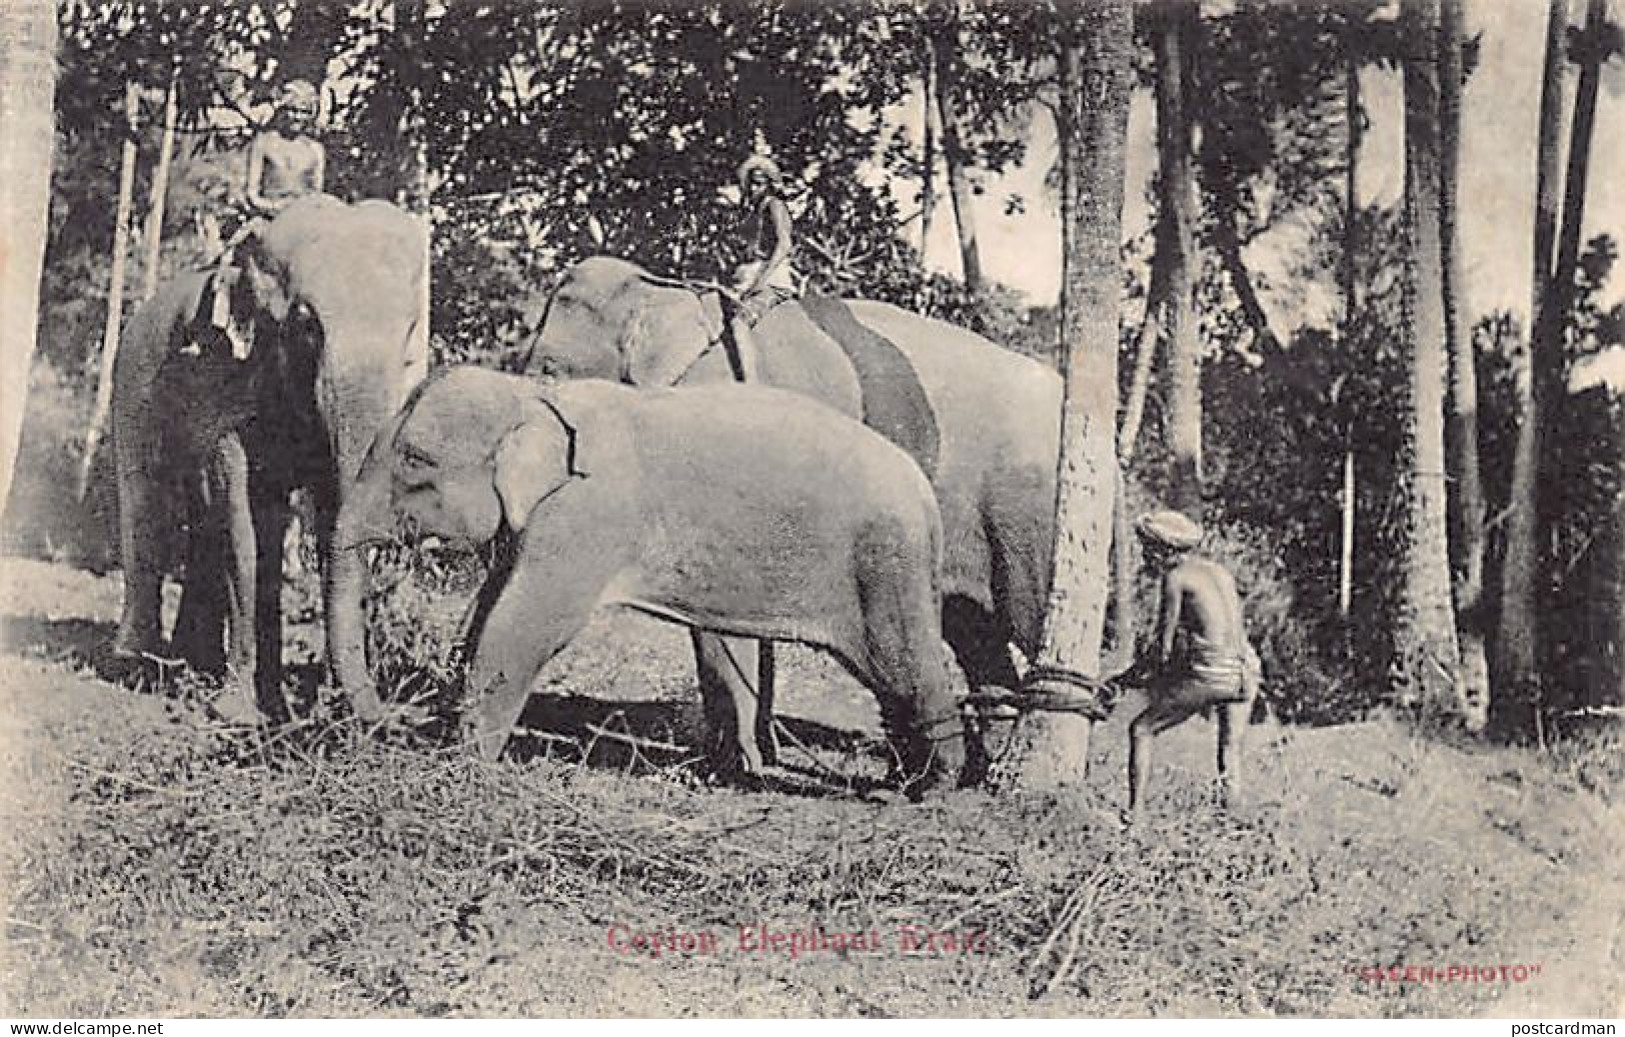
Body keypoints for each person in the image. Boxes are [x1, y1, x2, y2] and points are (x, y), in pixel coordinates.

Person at [1113, 509, 1261, 817]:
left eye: (1146, 550)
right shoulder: (1219, 571)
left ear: (1161, 551)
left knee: (1141, 729)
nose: (1144, 557)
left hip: (1214, 673)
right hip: (1247, 669)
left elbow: (1161, 651)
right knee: (1230, 750)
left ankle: (1136, 817)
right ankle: (1232, 826)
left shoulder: (1176, 578)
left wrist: (1123, 680)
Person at [197, 79, 326, 358]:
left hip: (305, 224)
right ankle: (228, 323)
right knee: (235, 261)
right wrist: (275, 208)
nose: (298, 118)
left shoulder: (315, 152)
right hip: (268, 219)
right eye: (294, 110)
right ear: (283, 109)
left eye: (305, 112)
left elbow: (317, 197)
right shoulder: (264, 144)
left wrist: (304, 213)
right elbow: (252, 194)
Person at [724, 153, 798, 382]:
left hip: (771, 277)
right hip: (748, 274)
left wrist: (762, 280)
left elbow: (784, 243)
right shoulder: (750, 210)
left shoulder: (774, 205)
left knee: (740, 322)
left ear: (768, 185)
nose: (754, 188)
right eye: (751, 183)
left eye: (759, 183)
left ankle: (751, 386)